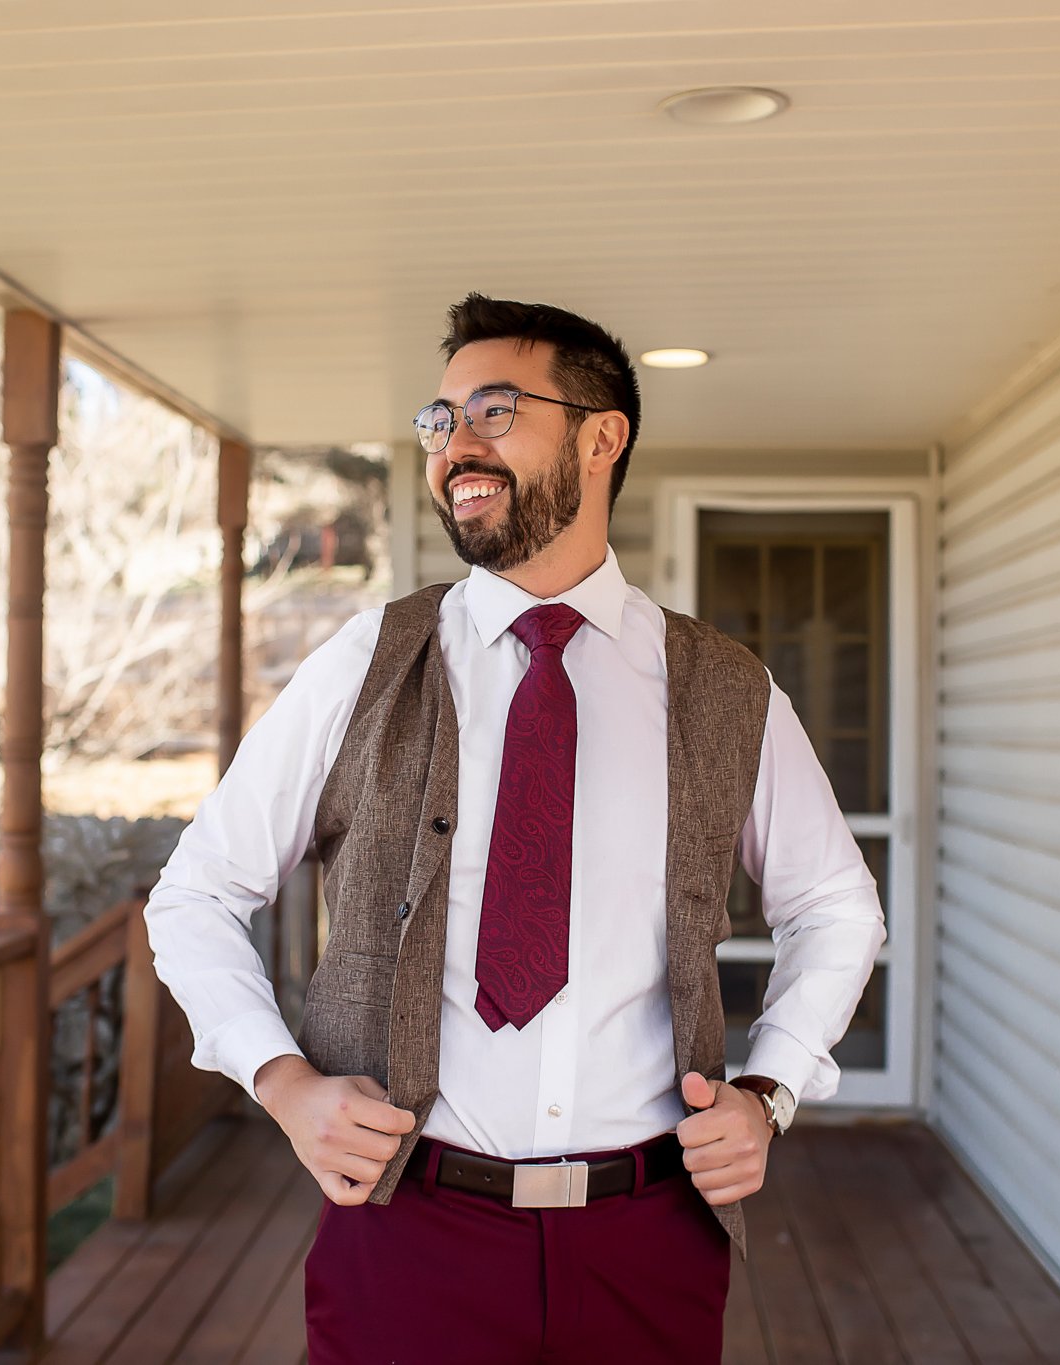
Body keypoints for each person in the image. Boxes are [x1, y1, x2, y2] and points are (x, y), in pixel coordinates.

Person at [144, 293, 886, 1364]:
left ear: (601, 435)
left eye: (494, 410)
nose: (456, 445)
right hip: (406, 1230)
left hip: (649, 1236)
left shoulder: (724, 690)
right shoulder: (367, 663)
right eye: (439, 419)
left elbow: (833, 907)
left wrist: (769, 1089)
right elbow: (195, 894)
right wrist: (284, 1084)